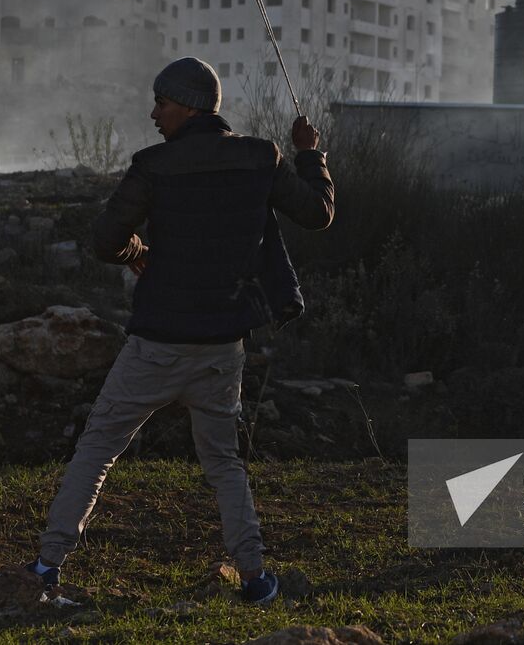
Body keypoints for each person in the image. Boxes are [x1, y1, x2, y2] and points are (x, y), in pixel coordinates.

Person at [28, 57, 335, 605]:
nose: (153, 114)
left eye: (161, 103)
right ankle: (255, 579)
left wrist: (137, 251)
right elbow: (317, 213)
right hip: (222, 346)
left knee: (97, 448)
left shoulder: (153, 165)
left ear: (189, 106)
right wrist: (311, 154)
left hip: (157, 343)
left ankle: (48, 565)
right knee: (222, 461)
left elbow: (105, 240)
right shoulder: (261, 157)